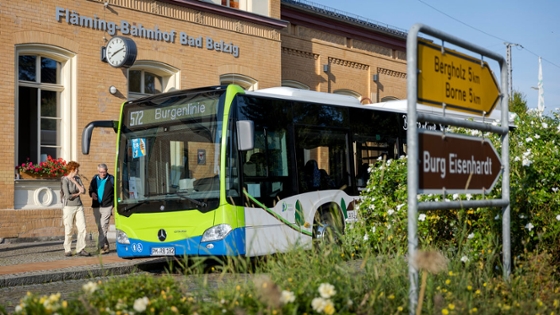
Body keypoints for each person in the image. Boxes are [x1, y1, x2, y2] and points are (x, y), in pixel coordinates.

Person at [61, 161, 90, 257]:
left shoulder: (77, 178)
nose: (78, 170)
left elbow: (84, 191)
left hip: (79, 206)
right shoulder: (65, 180)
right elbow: (68, 196)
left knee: (82, 228)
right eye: (76, 168)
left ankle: (80, 249)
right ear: (72, 169)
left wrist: (75, 182)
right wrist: (78, 193)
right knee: (69, 228)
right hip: (68, 207)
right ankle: (67, 249)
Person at [88, 163, 114, 254]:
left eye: (104, 172)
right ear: (98, 171)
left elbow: (116, 192)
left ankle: (101, 247)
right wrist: (92, 194)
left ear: (107, 170)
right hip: (96, 206)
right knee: (100, 228)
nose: (103, 174)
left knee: (103, 226)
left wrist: (112, 205)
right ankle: (106, 245)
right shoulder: (94, 179)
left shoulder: (111, 179)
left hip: (107, 206)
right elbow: (90, 189)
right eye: (101, 172)